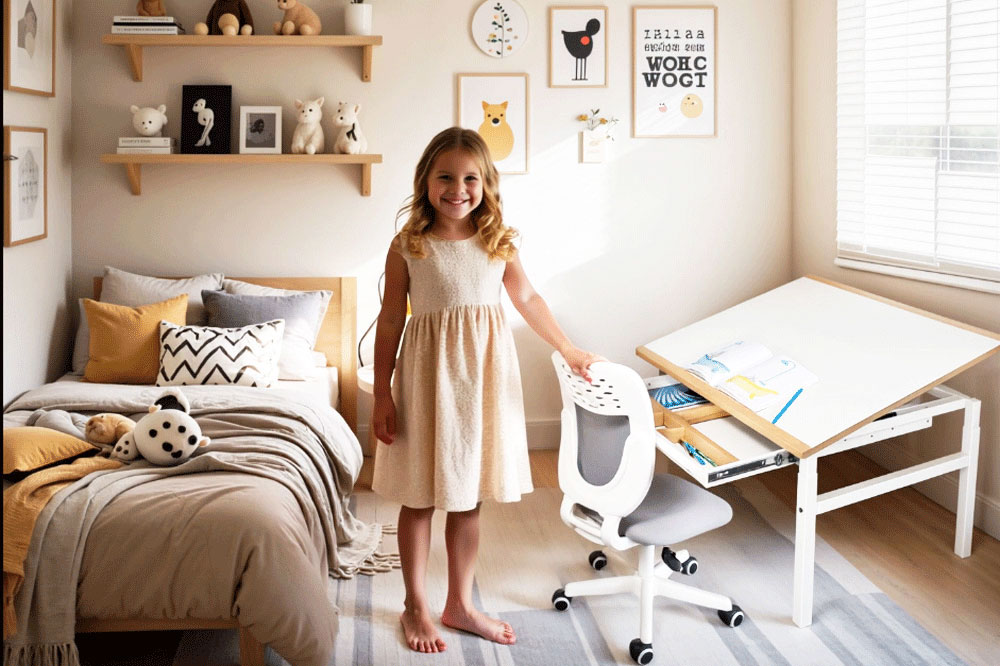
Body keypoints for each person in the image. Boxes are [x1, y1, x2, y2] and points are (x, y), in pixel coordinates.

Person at [371, 127, 602, 654]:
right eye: (445, 177)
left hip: (480, 387)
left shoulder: (498, 241)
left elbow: (528, 298)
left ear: (486, 183)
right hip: (426, 385)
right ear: (425, 181)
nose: (458, 189)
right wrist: (383, 394)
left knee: (468, 496)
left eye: (470, 178)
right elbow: (389, 321)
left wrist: (568, 348)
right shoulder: (408, 245)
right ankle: (415, 605)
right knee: (419, 497)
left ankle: (459, 603)